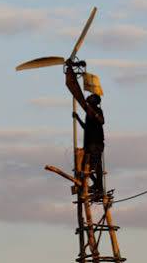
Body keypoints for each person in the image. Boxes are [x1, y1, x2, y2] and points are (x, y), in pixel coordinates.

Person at [65, 66, 105, 197]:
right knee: (86, 166)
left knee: (94, 166)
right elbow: (86, 128)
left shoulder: (96, 111)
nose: (88, 97)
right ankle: (94, 186)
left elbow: (101, 121)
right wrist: (77, 119)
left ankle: (98, 187)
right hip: (89, 143)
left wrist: (91, 110)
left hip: (96, 143)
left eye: (91, 97)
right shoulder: (88, 114)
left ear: (95, 102)